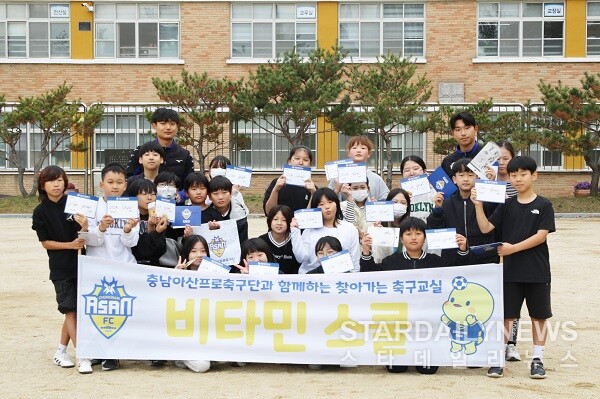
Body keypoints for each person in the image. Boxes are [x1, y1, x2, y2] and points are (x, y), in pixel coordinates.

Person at [471, 155, 555, 379]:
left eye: (523, 174)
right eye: (513, 175)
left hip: (537, 271)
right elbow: (486, 227)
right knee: (508, 316)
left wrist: (513, 249)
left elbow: (541, 236)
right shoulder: (507, 205)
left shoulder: (544, 205)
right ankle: (499, 359)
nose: (518, 179)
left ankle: (538, 359)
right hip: (510, 272)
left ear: (534, 176)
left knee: (539, 316)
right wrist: (478, 206)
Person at [360, 216, 469, 375]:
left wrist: (463, 249)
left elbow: (459, 274)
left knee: (428, 370)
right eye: (408, 234)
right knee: (396, 369)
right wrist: (365, 250)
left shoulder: (435, 262)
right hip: (398, 324)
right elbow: (369, 276)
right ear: (401, 238)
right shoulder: (391, 261)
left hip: (427, 325)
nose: (413, 238)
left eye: (418, 233)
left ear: (425, 237)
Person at [31, 166, 91, 374]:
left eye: (60, 180)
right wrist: (69, 245)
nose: (57, 184)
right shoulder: (40, 211)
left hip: (83, 265)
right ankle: (83, 356)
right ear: (42, 185)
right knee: (70, 310)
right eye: (51, 181)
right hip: (60, 268)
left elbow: (85, 232)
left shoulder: (74, 205)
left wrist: (84, 227)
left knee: (75, 311)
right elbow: (45, 242)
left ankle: (61, 351)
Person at [85, 163, 139, 371]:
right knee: (100, 311)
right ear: (102, 185)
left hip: (124, 267)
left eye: (119, 182)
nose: (115, 187)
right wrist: (101, 227)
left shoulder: (129, 206)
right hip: (98, 267)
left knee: (121, 312)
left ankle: (114, 355)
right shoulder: (93, 207)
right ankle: (99, 351)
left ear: (126, 185)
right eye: (110, 182)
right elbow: (89, 240)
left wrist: (126, 229)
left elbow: (132, 242)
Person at [427, 159, 499, 265]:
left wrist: (490, 186)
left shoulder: (485, 200)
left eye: (470, 175)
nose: (466, 179)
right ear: (454, 179)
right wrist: (437, 210)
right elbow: (434, 230)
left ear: (477, 177)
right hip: (454, 260)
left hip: (483, 260)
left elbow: (496, 215)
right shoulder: (447, 203)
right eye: (461, 175)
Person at [291, 187, 360, 274]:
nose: (327, 207)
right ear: (315, 208)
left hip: (340, 279)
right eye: (321, 204)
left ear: (337, 203)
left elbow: (354, 259)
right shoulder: (309, 231)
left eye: (330, 202)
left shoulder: (349, 228)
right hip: (311, 279)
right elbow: (301, 258)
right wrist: (295, 231)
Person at [494, 141, 520, 362]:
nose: (501, 163)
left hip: (514, 244)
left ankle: (511, 343)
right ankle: (494, 342)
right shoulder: (485, 181)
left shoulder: (517, 183)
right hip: (491, 241)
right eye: (497, 159)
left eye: (506, 158)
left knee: (512, 296)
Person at [125, 107, 194, 189]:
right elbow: (128, 178)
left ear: (177, 126)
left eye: (172, 124)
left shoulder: (185, 155)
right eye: (163, 123)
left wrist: (181, 195)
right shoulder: (141, 151)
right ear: (154, 126)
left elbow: (190, 183)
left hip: (174, 200)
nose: (168, 127)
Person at [172, 235, 212, 373]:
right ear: (186, 253)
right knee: (202, 366)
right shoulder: (177, 273)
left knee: (224, 358)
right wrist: (175, 278)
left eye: (203, 251)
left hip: (209, 331)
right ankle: (180, 355)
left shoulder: (217, 274)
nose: (199, 255)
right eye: (194, 251)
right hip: (186, 334)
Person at [328, 136, 389, 201]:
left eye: (363, 148)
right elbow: (327, 200)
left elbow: (386, 199)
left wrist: (375, 205)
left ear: (369, 153)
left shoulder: (376, 179)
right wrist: (336, 189)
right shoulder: (337, 178)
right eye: (354, 148)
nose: (358, 151)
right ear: (348, 153)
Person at [263, 145, 317, 215]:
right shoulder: (276, 183)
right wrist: (276, 189)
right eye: (297, 158)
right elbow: (268, 212)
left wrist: (314, 194)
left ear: (309, 164)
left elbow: (313, 216)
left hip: (301, 224)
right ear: (289, 161)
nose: (301, 162)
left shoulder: (312, 188)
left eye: (305, 160)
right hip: (280, 224)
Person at [126, 179, 168, 267]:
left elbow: (161, 250)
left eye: (153, 194)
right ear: (134, 196)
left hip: (153, 267)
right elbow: (138, 250)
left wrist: (156, 231)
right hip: (131, 266)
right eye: (144, 194)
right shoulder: (128, 218)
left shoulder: (159, 217)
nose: (149, 197)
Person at [202, 175, 249, 243]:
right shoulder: (204, 212)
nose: (220, 197)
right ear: (209, 196)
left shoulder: (239, 215)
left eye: (224, 192)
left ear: (231, 194)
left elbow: (243, 243)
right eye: (215, 193)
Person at [371, 188, 411, 263]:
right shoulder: (378, 224)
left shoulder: (411, 225)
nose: (399, 205)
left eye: (403, 203)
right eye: (395, 202)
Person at [258, 205, 301, 274]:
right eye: (275, 219)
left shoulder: (295, 239)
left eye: (284, 220)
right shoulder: (262, 240)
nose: (279, 223)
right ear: (270, 221)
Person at [399, 155, 443, 223]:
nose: (411, 173)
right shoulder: (399, 195)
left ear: (425, 171)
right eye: (407, 170)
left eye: (416, 169)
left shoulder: (436, 190)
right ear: (402, 174)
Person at [441, 111, 482, 178]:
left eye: (467, 128)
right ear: (452, 133)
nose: (463, 133)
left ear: (475, 129)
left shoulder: (487, 155)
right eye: (458, 130)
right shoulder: (448, 161)